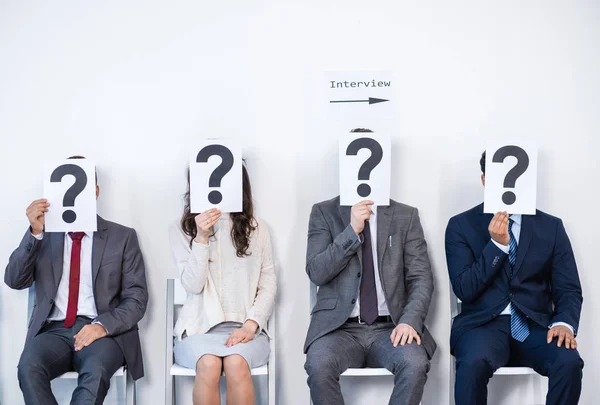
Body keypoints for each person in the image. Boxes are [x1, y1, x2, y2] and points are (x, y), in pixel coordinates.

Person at [303, 129, 436, 405]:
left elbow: (421, 278)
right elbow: (316, 271)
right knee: (318, 365)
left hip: (391, 328)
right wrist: (352, 230)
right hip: (338, 330)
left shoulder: (405, 216)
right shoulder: (323, 213)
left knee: (414, 363)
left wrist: (410, 321)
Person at [5, 156, 148, 405]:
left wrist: (101, 326)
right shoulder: (44, 234)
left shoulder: (122, 237)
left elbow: (136, 298)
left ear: (94, 192)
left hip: (103, 332)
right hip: (54, 331)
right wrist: (35, 233)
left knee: (97, 371)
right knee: (28, 367)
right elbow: (15, 280)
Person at [445, 151, 584, 405]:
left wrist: (564, 322)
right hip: (482, 326)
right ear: (485, 180)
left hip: (536, 326)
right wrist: (497, 247)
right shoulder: (460, 225)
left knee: (569, 361)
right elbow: (464, 289)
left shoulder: (551, 227)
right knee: (472, 364)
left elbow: (569, 289)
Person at [170, 163, 276, 405]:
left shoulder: (257, 229)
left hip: (247, 329)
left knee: (237, 363)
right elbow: (193, 285)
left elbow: (268, 282)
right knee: (208, 364)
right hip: (198, 330)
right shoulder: (181, 229)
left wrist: (251, 325)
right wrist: (201, 237)